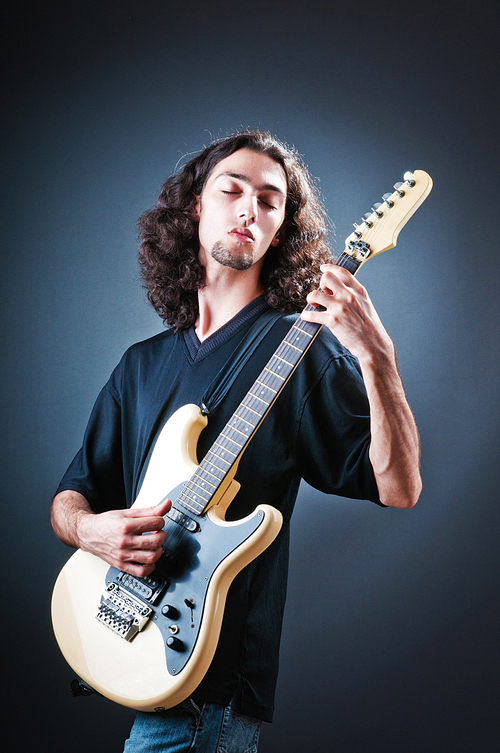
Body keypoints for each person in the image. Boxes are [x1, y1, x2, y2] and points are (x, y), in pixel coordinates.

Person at [51, 130, 421, 752]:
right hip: (142, 658)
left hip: (210, 693)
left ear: (281, 229)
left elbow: (399, 487)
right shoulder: (141, 365)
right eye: (233, 189)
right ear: (196, 206)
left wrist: (378, 358)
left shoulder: (304, 352)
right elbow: (72, 494)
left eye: (271, 201)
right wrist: (91, 531)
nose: (251, 208)